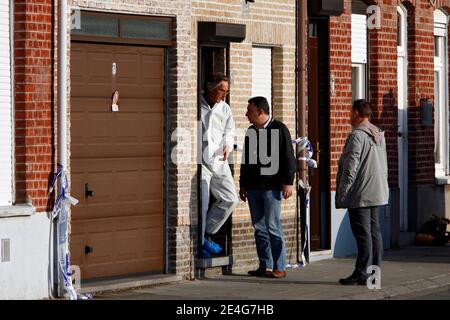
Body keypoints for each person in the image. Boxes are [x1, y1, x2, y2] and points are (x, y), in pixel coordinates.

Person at [239, 96, 297, 278]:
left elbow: (289, 157)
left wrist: (289, 182)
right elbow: (246, 160)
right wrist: (243, 184)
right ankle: (265, 265)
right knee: (259, 228)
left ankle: (279, 267)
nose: (246, 114)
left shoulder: (279, 129)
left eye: (250, 111)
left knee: (273, 226)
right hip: (254, 187)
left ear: (261, 112)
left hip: (272, 188)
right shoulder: (251, 132)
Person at [335, 99, 389, 285]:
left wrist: (342, 193)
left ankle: (361, 273)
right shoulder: (378, 134)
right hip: (377, 190)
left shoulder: (357, 136)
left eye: (351, 112)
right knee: (374, 233)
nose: (349, 115)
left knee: (363, 234)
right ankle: (374, 275)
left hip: (361, 192)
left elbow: (351, 168)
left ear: (357, 113)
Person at [200, 72, 239, 258]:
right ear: (211, 88)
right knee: (203, 202)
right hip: (201, 162)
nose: (224, 95)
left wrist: (227, 145)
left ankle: (206, 233)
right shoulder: (197, 105)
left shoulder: (225, 108)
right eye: (221, 91)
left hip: (220, 160)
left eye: (226, 91)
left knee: (231, 199)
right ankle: (201, 242)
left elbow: (230, 131)